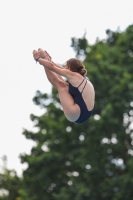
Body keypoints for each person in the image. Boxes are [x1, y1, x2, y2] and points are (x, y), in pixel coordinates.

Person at [32, 48, 95, 124]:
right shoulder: (82, 77)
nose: (65, 68)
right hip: (86, 114)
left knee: (61, 86)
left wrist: (38, 59)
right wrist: (48, 60)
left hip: (76, 113)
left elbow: (52, 67)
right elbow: (58, 68)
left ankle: (44, 62)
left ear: (70, 68)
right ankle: (45, 61)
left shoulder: (73, 75)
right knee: (64, 84)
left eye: (66, 67)